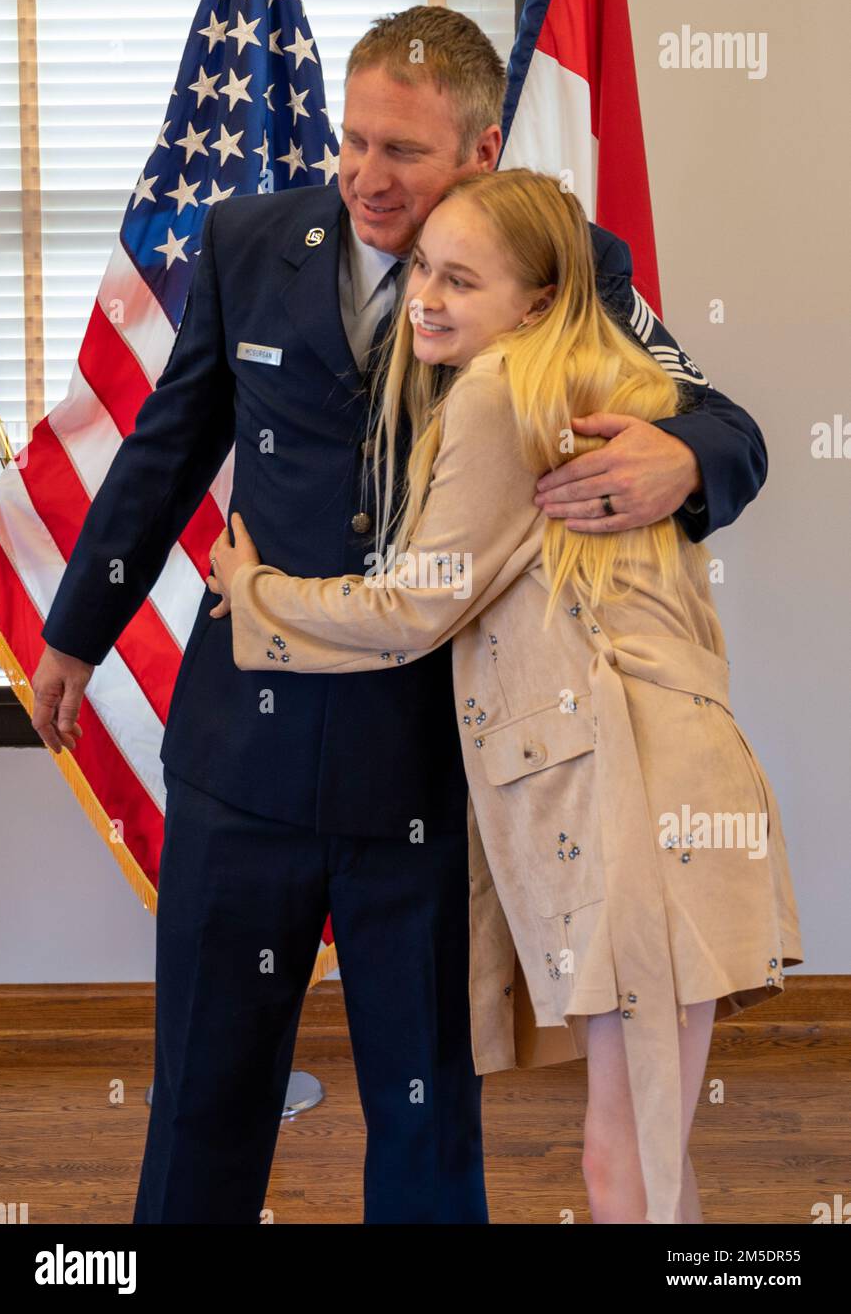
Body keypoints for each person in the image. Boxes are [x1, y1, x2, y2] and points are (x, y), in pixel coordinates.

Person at [31, 6, 769, 1225]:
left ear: (481, 152)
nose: (369, 178)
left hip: (430, 772)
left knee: (426, 1126)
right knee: (202, 1105)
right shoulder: (246, 240)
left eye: (405, 153)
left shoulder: (558, 259)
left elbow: (718, 418)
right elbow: (164, 451)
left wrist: (682, 460)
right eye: (354, 142)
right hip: (241, 761)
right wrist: (72, 634)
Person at [209, 166, 804, 1226]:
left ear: (532, 300)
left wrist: (256, 596)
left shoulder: (497, 391)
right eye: (422, 270)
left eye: (460, 280)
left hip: (631, 799)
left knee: (622, 1167)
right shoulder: (586, 366)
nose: (426, 298)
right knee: (649, 1155)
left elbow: (412, 608)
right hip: (674, 787)